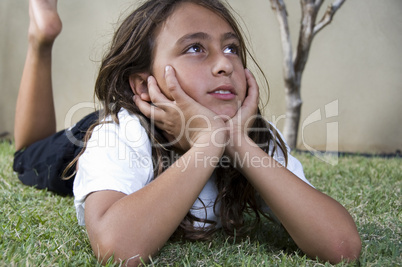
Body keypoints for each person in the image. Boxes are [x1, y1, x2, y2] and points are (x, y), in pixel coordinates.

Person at [13, 0, 362, 266]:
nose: (224, 63)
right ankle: (41, 39)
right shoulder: (119, 134)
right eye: (195, 48)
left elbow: (342, 247)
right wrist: (209, 144)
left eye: (231, 48)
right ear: (143, 83)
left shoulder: (254, 137)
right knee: (27, 155)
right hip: (91, 136)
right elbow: (117, 250)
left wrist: (236, 143)